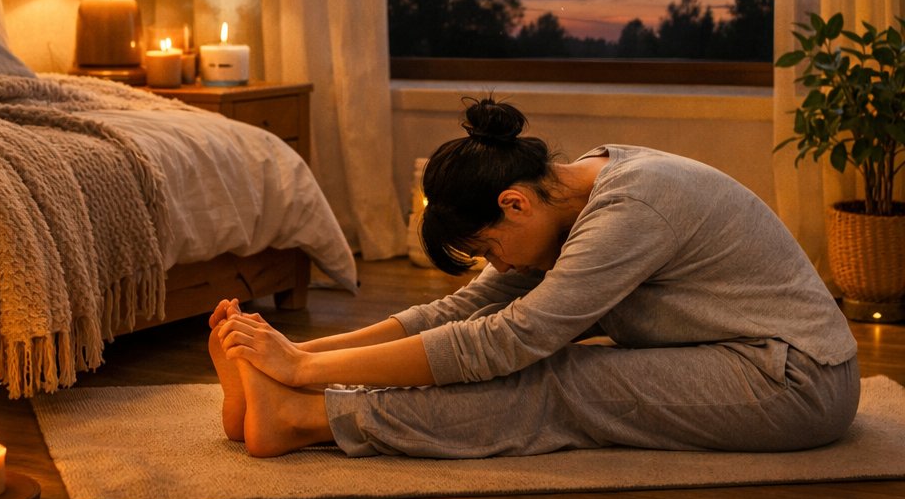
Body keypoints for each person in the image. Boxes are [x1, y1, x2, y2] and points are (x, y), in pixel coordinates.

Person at [209, 96, 860, 459]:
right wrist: (297, 353)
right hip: (744, 355)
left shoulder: (631, 207)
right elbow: (461, 312)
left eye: (490, 247)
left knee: (556, 379)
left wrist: (305, 373)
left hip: (796, 381)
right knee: (497, 329)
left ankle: (305, 418)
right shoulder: (567, 193)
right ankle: (289, 397)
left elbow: (508, 341)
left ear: (513, 204)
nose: (498, 265)